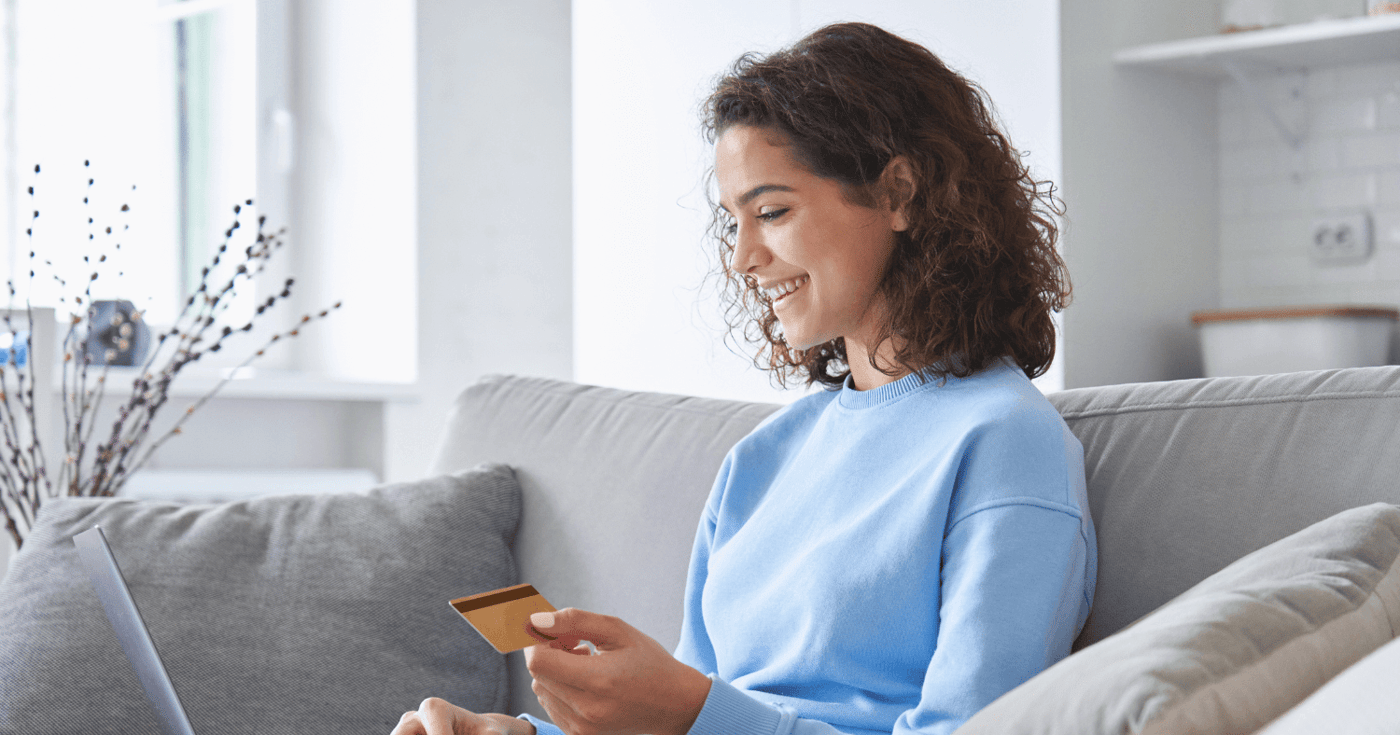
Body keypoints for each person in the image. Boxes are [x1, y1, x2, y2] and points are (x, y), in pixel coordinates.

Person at [392, 21, 1095, 735]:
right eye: (733, 221)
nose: (741, 258)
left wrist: (692, 709)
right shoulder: (761, 460)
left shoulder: (1005, 442)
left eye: (771, 212)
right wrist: (513, 732)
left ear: (899, 194)